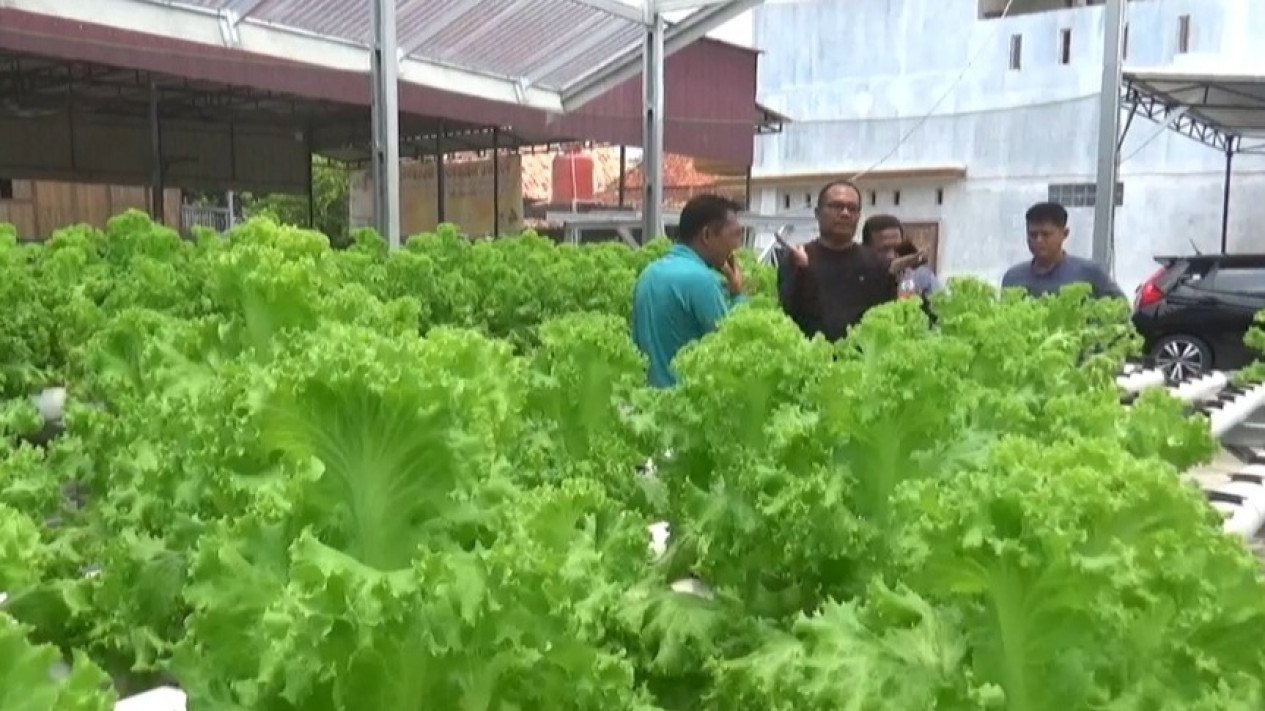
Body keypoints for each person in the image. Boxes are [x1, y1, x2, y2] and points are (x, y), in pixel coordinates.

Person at [778, 181, 924, 341]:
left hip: (860, 360)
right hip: (811, 358)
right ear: (817, 213)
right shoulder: (798, 258)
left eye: (852, 208)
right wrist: (803, 270)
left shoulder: (876, 262)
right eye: (836, 206)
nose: (845, 213)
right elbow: (790, 309)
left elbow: (885, 317)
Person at [632, 194, 745, 388]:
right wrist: (738, 295)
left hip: (647, 407)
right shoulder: (703, 281)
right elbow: (732, 348)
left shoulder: (648, 274)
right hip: (685, 407)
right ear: (707, 235)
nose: (737, 245)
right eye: (734, 235)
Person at [1001, 201, 1124, 299]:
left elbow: (1121, 310)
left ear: (1064, 234)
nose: (1039, 240)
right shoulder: (1013, 278)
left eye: (1046, 234)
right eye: (1033, 234)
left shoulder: (1090, 274)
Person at [861, 214, 943, 299]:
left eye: (897, 247)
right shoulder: (859, 280)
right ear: (865, 249)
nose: (891, 256)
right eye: (883, 250)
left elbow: (941, 306)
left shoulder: (921, 276)